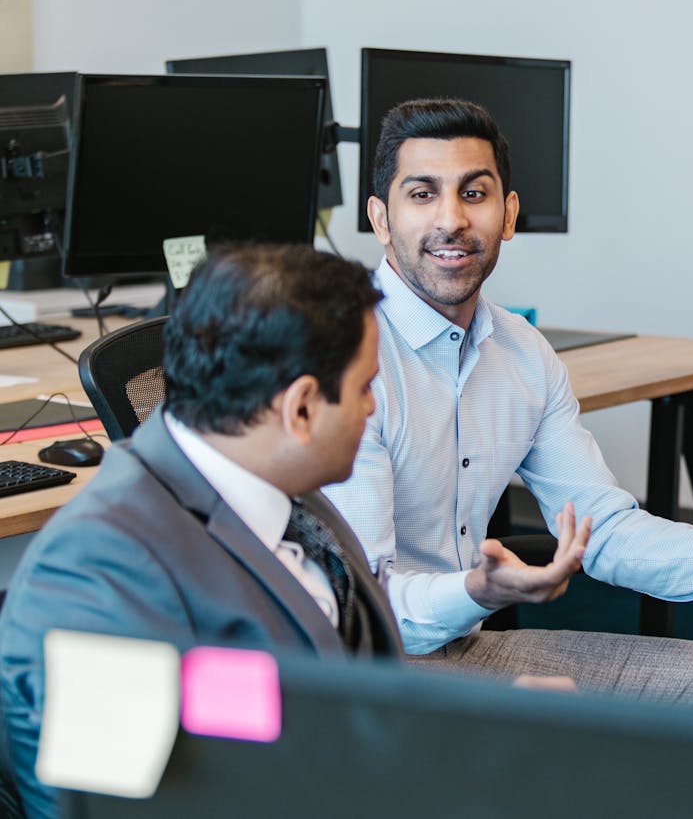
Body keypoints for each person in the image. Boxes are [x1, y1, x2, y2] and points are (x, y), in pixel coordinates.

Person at [323, 98, 693, 710]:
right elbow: (363, 602)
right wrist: (477, 591)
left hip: (463, 648)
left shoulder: (522, 353)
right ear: (381, 218)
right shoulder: (342, 351)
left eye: (474, 194)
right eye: (422, 195)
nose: (451, 219)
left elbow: (605, 532)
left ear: (508, 214)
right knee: (551, 721)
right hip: (353, 666)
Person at [0, 245, 446, 816]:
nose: (371, 408)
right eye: (364, 387)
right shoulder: (93, 571)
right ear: (300, 409)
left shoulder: (284, 483)